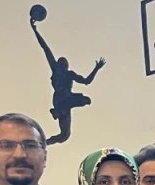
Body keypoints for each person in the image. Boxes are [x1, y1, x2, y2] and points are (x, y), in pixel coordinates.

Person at [30, 15, 104, 145]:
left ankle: (48, 137)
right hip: (62, 100)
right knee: (66, 129)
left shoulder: (67, 73)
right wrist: (35, 30)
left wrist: (96, 68)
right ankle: (58, 112)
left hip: (66, 99)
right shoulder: (58, 70)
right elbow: (45, 48)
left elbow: (86, 81)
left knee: (65, 135)